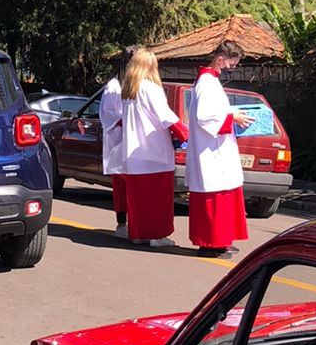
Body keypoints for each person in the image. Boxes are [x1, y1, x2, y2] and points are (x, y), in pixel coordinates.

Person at [185, 39, 253, 257]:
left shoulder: (210, 82)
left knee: (226, 197)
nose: (231, 69)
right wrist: (232, 116)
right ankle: (210, 244)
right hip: (210, 153)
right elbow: (204, 117)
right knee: (214, 199)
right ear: (220, 59)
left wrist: (232, 115)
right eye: (231, 65)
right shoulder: (206, 82)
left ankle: (222, 239)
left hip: (219, 151)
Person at [119, 47, 187, 249]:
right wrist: (185, 134)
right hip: (154, 152)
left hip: (133, 154)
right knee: (158, 199)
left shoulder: (128, 91)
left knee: (138, 199)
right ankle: (157, 235)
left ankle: (139, 233)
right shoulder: (151, 88)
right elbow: (166, 117)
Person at [100, 46, 134, 240]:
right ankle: (122, 223)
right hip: (118, 142)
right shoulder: (114, 86)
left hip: (134, 142)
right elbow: (110, 115)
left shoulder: (137, 84)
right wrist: (131, 118)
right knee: (122, 187)